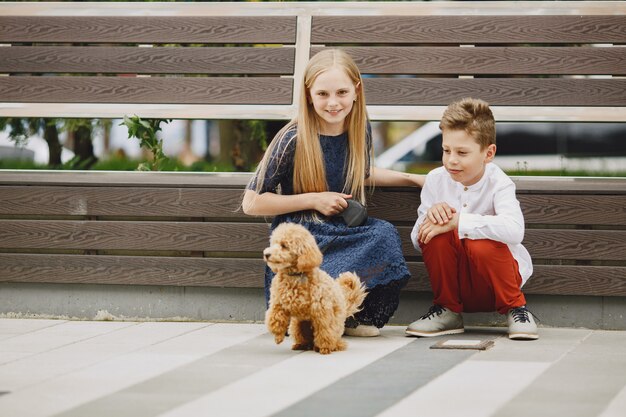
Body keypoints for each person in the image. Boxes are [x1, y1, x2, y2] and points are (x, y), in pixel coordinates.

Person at [242, 49, 424, 337]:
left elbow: (359, 172)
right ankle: (309, 315)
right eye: (323, 94)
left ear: (356, 91)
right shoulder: (293, 138)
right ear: (309, 94)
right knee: (313, 268)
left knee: (384, 234)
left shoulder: (358, 128)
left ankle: (347, 315)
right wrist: (314, 199)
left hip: (343, 231)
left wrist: (412, 179)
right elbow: (251, 202)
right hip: (305, 241)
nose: (333, 102)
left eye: (341, 92)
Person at [406, 98, 538, 340]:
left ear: (488, 153)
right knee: (436, 231)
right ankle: (447, 311)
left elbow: (515, 230)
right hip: (456, 286)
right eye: (446, 150)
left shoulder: (499, 182)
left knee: (479, 241)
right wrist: (432, 219)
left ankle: (517, 309)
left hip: (496, 286)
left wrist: (460, 221)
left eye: (462, 152)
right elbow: (418, 239)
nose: (451, 160)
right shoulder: (436, 180)